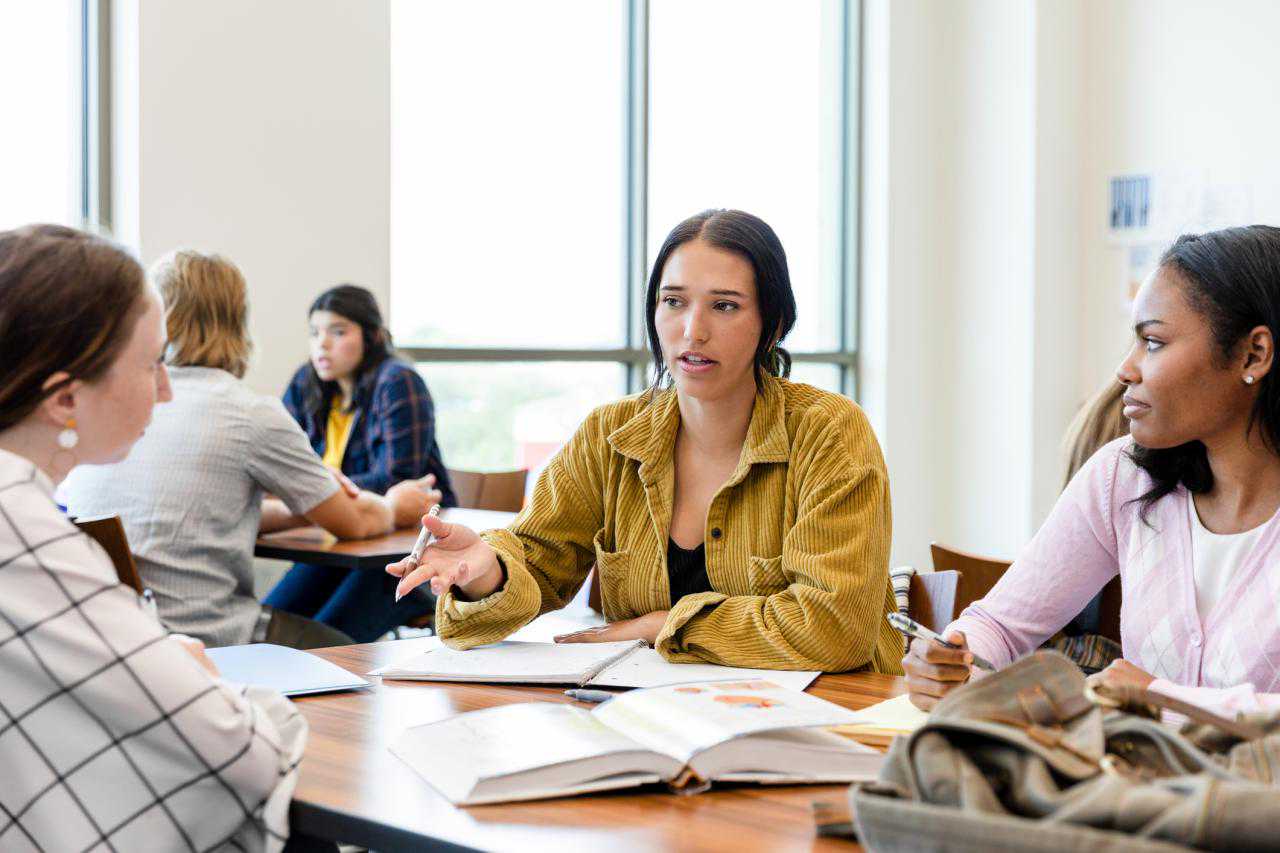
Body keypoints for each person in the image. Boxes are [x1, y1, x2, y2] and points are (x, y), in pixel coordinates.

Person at [389, 209, 904, 673]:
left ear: (772, 324)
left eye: (724, 306)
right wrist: (486, 573)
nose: (692, 331)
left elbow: (836, 627)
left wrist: (664, 625)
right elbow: (538, 560)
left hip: (828, 724)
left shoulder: (829, 432)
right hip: (654, 718)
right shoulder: (609, 435)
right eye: (673, 302)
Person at [0, 224, 306, 851]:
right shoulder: (23, 532)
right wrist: (199, 677)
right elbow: (240, 751)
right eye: (152, 364)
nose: (166, 390)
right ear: (63, 399)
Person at [904, 225, 1280, 716]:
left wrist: (1161, 698)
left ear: (1254, 354)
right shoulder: (1124, 476)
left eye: (1154, 342)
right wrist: (953, 658)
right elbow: (998, 626)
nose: (1126, 369)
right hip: (1134, 787)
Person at [61, 250, 439, 649]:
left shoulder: (118, 405)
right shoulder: (247, 412)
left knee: (323, 599)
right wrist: (395, 506)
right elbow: (355, 524)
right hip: (209, 635)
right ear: (238, 320)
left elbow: (204, 511)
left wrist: (307, 504)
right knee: (353, 654)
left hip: (118, 632)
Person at [265, 284, 456, 641]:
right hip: (342, 540)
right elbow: (282, 470)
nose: (322, 344)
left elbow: (399, 481)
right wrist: (322, 494)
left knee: (319, 643)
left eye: (338, 332)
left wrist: (319, 491)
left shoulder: (398, 381)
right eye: (314, 333)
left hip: (405, 549)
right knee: (270, 632)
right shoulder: (307, 383)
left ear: (371, 336)